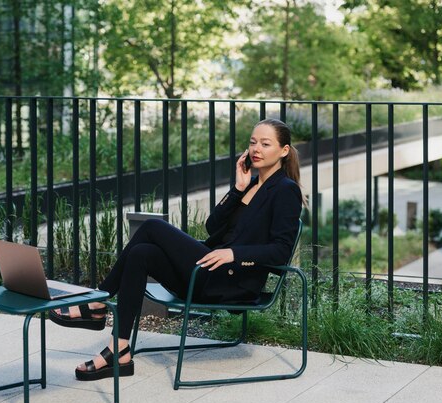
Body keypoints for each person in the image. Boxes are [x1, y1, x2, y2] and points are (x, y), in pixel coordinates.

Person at [50, 118, 304, 381]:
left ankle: (98, 301)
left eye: (265, 144)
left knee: (151, 227)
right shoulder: (250, 184)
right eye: (252, 143)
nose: (256, 149)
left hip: (230, 280)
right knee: (141, 253)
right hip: (207, 272)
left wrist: (233, 254)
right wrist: (238, 189)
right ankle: (120, 349)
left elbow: (281, 251)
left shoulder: (285, 190)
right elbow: (212, 226)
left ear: (284, 151)